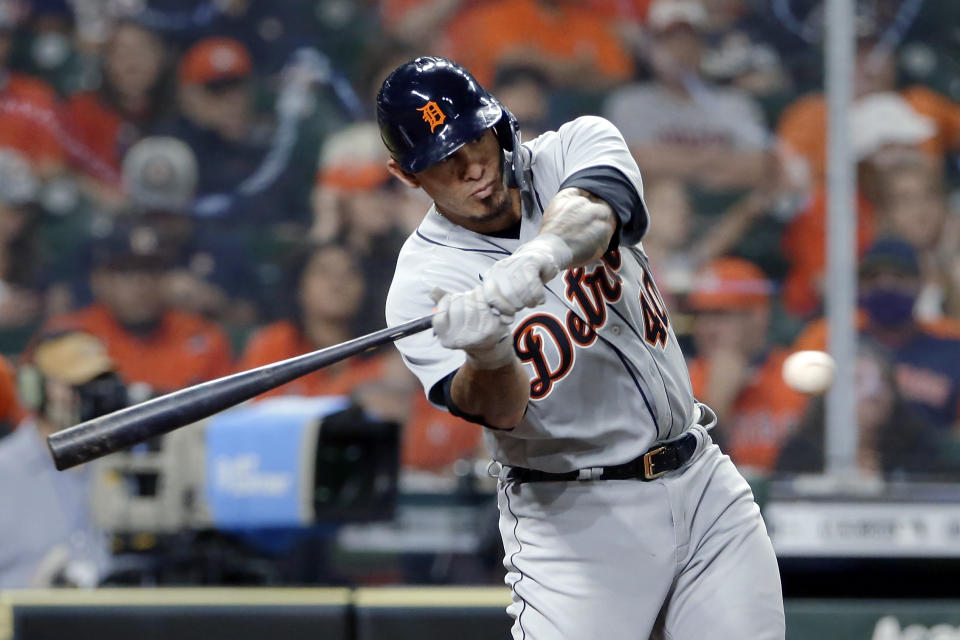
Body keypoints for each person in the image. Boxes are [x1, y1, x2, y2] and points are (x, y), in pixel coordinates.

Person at [380, 56, 783, 639]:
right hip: (575, 522)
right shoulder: (422, 284)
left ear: (498, 124)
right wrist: (489, 353)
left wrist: (540, 257)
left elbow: (595, 211)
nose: (472, 168)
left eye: (474, 140)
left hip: (702, 482)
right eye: (443, 161)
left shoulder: (572, 146)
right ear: (406, 175)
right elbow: (500, 411)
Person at [41, 222, 233, 396]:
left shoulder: (204, 337)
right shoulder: (65, 337)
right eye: (126, 273)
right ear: (99, 281)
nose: (141, 285)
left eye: (150, 271)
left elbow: (228, 417)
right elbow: (34, 419)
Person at [603, 0, 772, 193]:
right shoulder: (628, 102)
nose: (681, 50)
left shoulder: (735, 103)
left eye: (690, 40)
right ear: (652, 47)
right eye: (670, 41)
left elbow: (759, 166)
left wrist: (673, 166)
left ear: (703, 46)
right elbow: (635, 162)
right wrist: (716, 162)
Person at [793, 238, 960, 432]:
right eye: (873, 277)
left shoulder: (953, 343)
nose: (886, 285)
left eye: (899, 276)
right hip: (846, 453)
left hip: (932, 458)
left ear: (920, 284)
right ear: (859, 286)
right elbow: (803, 415)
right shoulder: (828, 337)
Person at [0, 331, 126, 587]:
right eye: (73, 385)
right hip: (21, 621)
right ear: (35, 387)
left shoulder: (126, 463)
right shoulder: (5, 469)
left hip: (109, 620)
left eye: (92, 385)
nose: (83, 397)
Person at [685, 257, 808, 475]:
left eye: (721, 315)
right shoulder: (680, 382)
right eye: (701, 315)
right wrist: (715, 405)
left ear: (759, 316)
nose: (707, 328)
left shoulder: (796, 374)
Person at [775, 343, 956, 481]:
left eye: (883, 381)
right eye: (857, 380)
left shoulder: (920, 449)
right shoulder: (800, 451)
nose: (873, 392)